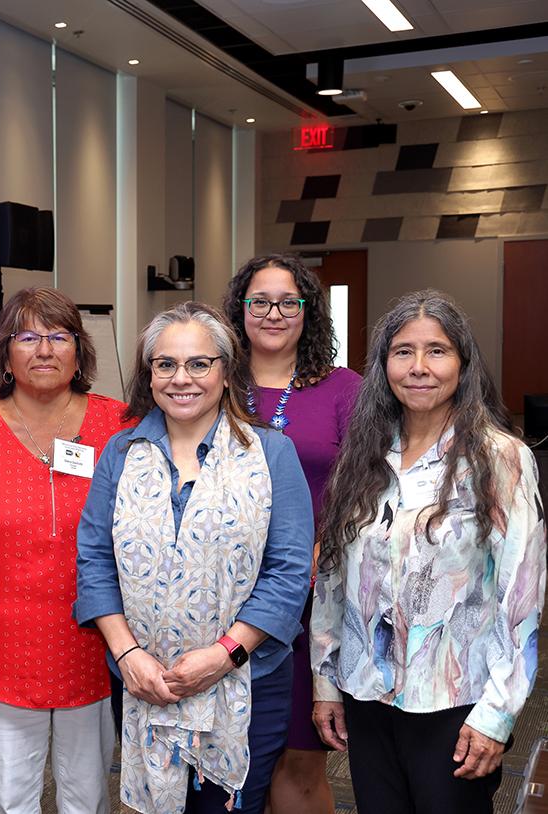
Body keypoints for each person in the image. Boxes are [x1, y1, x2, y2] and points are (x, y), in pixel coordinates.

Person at [311, 290, 546, 814]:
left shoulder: (500, 458)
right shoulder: (364, 453)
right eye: (403, 352)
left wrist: (497, 715)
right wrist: (326, 681)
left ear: (463, 363)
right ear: (383, 365)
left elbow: (520, 602)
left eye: (436, 351)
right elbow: (332, 578)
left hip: (456, 702)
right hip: (367, 694)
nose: (419, 367)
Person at [75, 302, 313, 814]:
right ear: (150, 375)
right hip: (143, 681)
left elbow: (289, 573)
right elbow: (94, 560)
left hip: (248, 679)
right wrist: (128, 656)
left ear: (227, 373)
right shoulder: (121, 452)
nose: (182, 378)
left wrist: (224, 655)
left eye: (199, 363)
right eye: (166, 364)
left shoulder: (272, 453)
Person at [0, 287, 128, 814]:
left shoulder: (120, 426)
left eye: (59, 336)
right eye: (27, 337)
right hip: (0, 655)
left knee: (88, 798)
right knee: (11, 801)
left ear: (79, 350)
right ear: (4, 353)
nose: (43, 350)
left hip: (94, 647)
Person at [220, 254, 360, 814]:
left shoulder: (346, 390)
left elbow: (369, 486)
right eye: (259, 302)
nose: (273, 313)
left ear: (308, 311)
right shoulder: (212, 382)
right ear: (240, 311)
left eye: (288, 302)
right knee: (231, 755)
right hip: (219, 600)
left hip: (310, 600)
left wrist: (321, 551)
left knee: (299, 760)